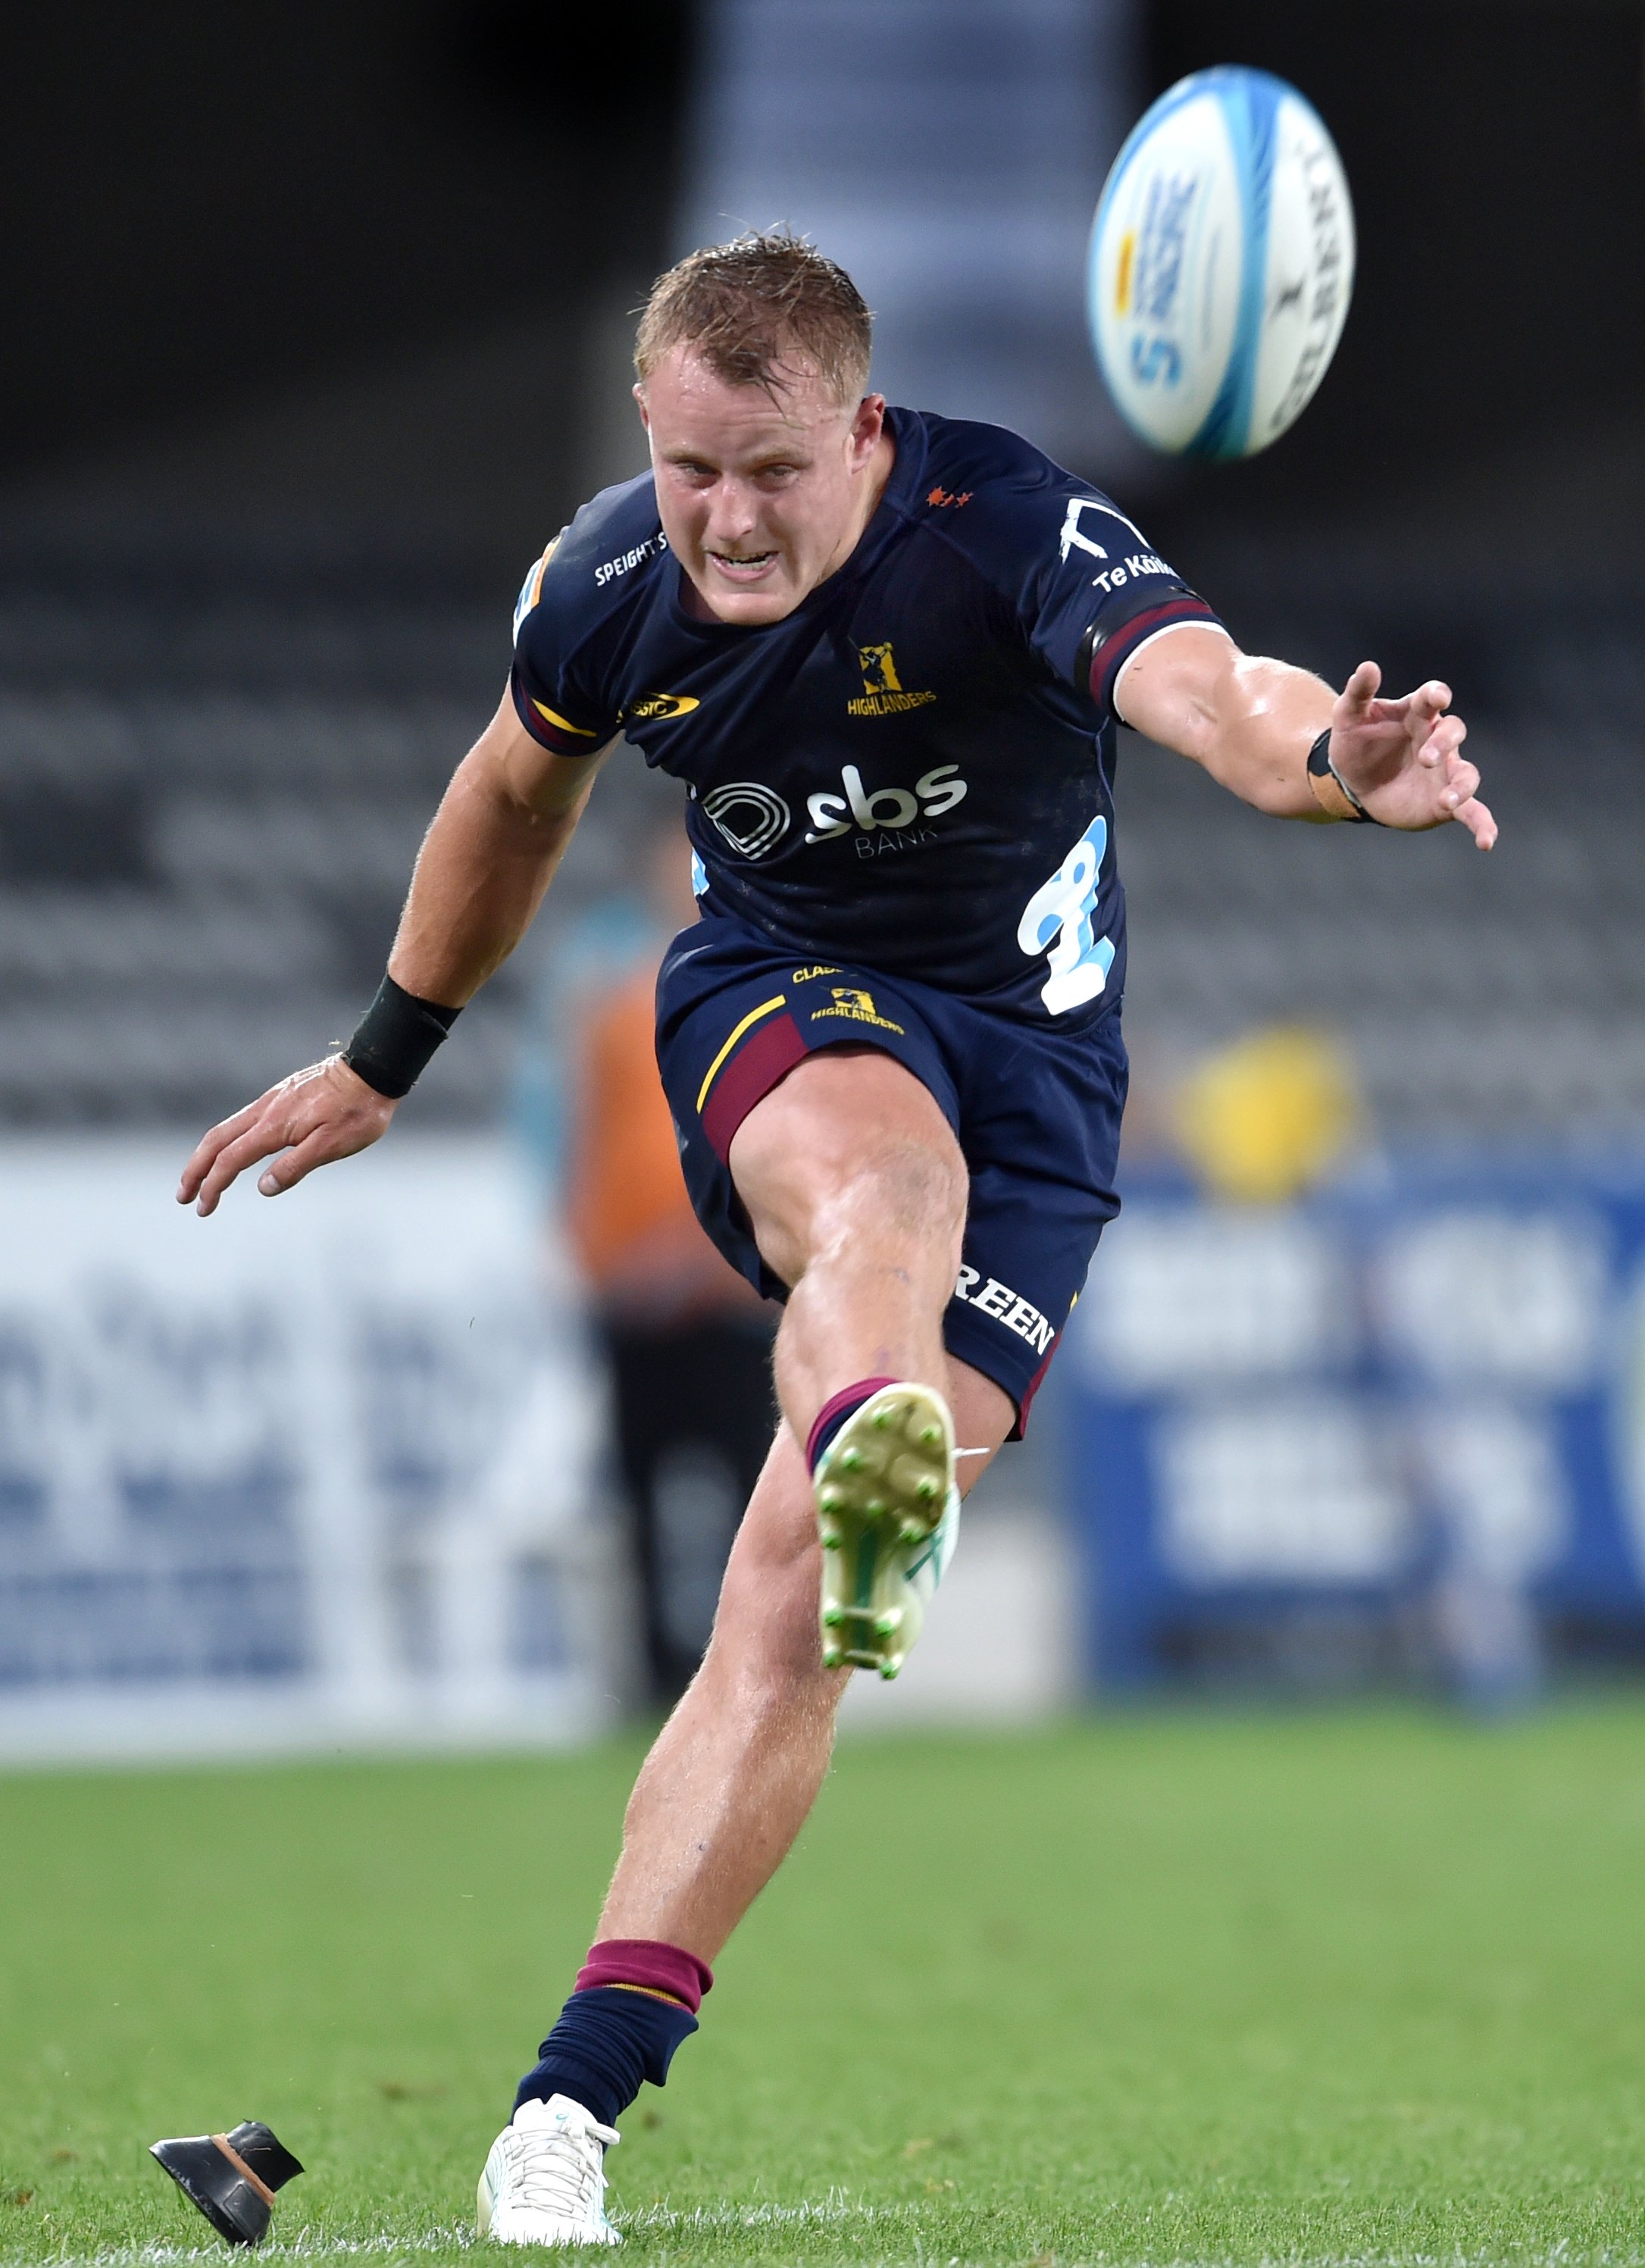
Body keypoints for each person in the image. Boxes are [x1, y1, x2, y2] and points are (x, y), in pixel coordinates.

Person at [178, 233, 1494, 2245]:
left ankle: (565, 2108)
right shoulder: (606, 585)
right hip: (784, 996)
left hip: (1044, 1081)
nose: (724, 514)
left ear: (859, 431)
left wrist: (1335, 761)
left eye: (771, 470)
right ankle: (871, 1410)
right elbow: (508, 797)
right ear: (651, 430)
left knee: (793, 1592)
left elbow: (1213, 695)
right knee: (882, 1198)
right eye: (691, 465)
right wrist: (388, 1052)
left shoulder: (1008, 529)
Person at [558, 826, 777, 1707]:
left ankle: (745, 1673)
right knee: (640, 1490)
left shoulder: (769, 991)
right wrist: (599, 1256)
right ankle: (651, 1675)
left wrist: (708, 1253)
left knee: (745, 1494)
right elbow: (588, 1145)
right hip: (636, 1297)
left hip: (731, 1286)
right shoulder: (608, 1010)